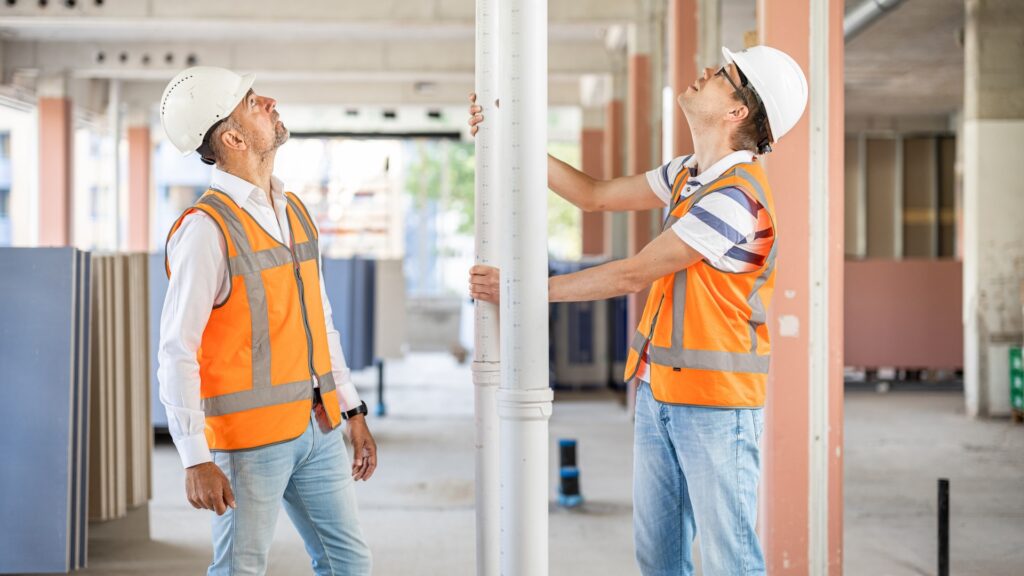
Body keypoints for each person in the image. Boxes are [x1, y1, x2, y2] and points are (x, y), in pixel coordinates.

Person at [468, 46, 808, 576]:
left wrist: (522, 290)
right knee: (660, 559)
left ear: (738, 111)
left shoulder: (735, 199)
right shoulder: (689, 176)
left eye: (722, 74)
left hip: (717, 406)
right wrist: (507, 137)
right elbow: (593, 195)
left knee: (730, 561)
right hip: (658, 393)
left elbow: (634, 273)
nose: (704, 73)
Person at [157, 66, 376, 576]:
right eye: (253, 102)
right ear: (232, 138)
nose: (270, 102)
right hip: (249, 442)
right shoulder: (205, 231)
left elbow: (319, 320)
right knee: (241, 570)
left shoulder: (294, 210)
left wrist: (351, 407)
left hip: (317, 427)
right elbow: (176, 351)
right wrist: (194, 456)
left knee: (350, 564)